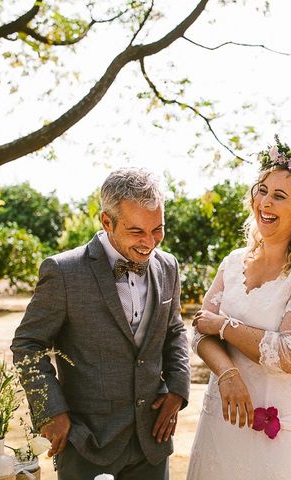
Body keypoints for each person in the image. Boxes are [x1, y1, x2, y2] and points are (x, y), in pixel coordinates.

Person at [11, 168, 190, 480]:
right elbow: (28, 344)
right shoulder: (63, 272)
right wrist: (51, 410)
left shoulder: (168, 266)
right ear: (107, 222)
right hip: (87, 443)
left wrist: (177, 387)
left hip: (153, 442)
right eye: (137, 232)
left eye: (157, 229)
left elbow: (173, 329)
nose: (149, 243)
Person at [186, 137, 291, 479]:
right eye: (262, 190)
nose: (265, 202)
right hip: (223, 421)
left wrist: (225, 326)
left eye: (279, 196)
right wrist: (228, 373)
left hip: (283, 431)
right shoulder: (232, 263)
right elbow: (201, 330)